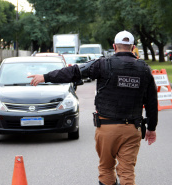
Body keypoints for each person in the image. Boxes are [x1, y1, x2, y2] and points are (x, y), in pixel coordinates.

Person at [28, 30, 158, 185]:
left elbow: (75, 72)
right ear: (133, 47)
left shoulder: (103, 64)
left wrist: (46, 77)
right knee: (127, 171)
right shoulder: (144, 70)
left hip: (107, 128)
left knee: (106, 168)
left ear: (114, 47)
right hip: (132, 129)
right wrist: (151, 128)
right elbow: (152, 101)